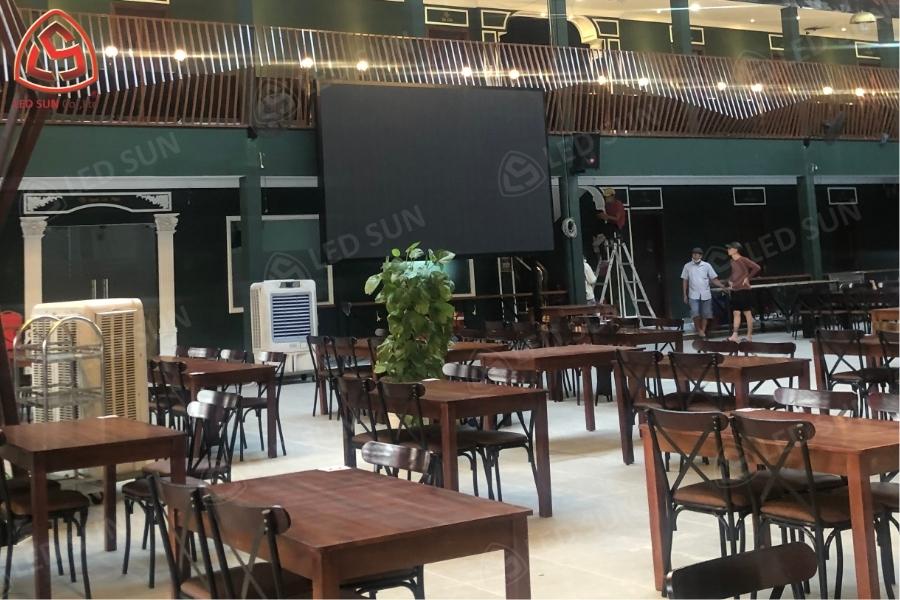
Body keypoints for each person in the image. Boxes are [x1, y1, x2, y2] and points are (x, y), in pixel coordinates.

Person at [681, 247, 725, 339]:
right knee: (695, 313)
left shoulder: (707, 265)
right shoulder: (687, 266)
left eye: (697, 254)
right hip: (693, 294)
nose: (695, 255)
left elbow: (713, 279)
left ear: (700, 256)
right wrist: (684, 294)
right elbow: (685, 280)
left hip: (705, 293)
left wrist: (722, 286)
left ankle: (703, 330)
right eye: (693, 254)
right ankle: (699, 330)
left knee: (706, 314)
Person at [725, 242, 761, 342]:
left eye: (730, 248)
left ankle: (749, 336)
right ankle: (735, 335)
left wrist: (748, 278)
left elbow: (757, 267)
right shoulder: (732, 261)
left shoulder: (743, 259)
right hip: (735, 289)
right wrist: (730, 280)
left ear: (736, 250)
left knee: (747, 312)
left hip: (744, 290)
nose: (728, 250)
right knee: (736, 312)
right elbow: (735, 273)